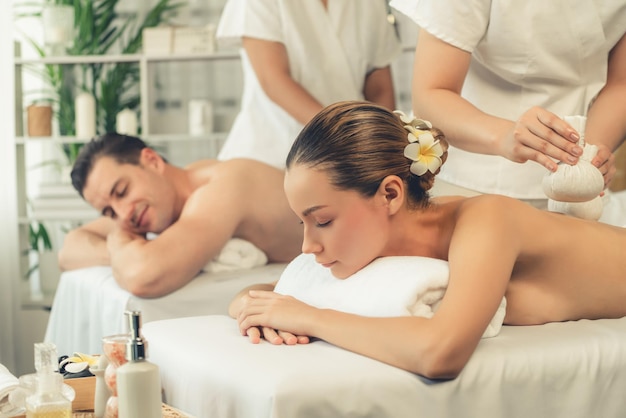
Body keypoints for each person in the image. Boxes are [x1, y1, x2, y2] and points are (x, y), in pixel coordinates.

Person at [230, 101, 626, 379]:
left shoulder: (487, 221)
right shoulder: (379, 246)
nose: (307, 246)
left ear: (389, 194)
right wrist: (254, 309)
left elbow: (440, 353)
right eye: (303, 223)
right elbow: (268, 293)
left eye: (323, 221)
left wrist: (304, 317)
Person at [389, 0, 626, 211]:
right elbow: (432, 93)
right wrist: (505, 136)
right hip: (475, 179)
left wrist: (590, 154)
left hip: (579, 192)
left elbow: (621, 84)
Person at [58, 133, 303, 298]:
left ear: (152, 161)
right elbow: (68, 251)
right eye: (109, 212)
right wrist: (122, 246)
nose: (123, 214)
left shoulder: (220, 188)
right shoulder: (154, 202)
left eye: (122, 191)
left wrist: (125, 243)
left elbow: (142, 276)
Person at [214, 0, 401, 169]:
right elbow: (273, 80)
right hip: (272, 156)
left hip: (353, 159)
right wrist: (348, 141)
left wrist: (383, 146)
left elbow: (378, 87)